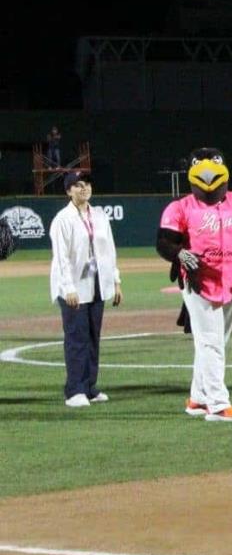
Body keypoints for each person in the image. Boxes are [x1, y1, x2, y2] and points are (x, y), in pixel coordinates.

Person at [156, 148, 232, 422]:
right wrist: (180, 254)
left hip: (229, 283)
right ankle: (218, 405)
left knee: (215, 342)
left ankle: (199, 398)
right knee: (211, 342)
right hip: (197, 283)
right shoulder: (181, 207)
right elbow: (164, 241)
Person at [48, 171, 122, 407]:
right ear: (68, 191)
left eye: (87, 184)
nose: (84, 188)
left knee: (93, 337)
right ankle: (74, 390)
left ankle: (89, 386)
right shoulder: (63, 219)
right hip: (74, 288)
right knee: (76, 338)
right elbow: (61, 258)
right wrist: (68, 288)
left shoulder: (99, 215)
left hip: (97, 284)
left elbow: (108, 250)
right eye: (78, 185)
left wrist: (116, 281)